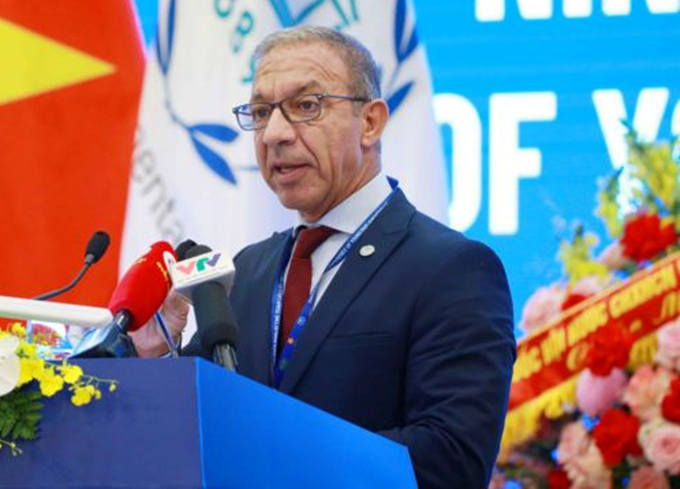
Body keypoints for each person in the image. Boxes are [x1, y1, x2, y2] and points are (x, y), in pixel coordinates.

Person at [134, 26, 515, 489]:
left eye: (305, 106)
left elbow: (451, 458)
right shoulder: (249, 269)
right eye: (260, 112)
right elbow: (191, 428)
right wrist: (151, 358)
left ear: (370, 122)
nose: (273, 133)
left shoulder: (453, 269)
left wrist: (273, 462)